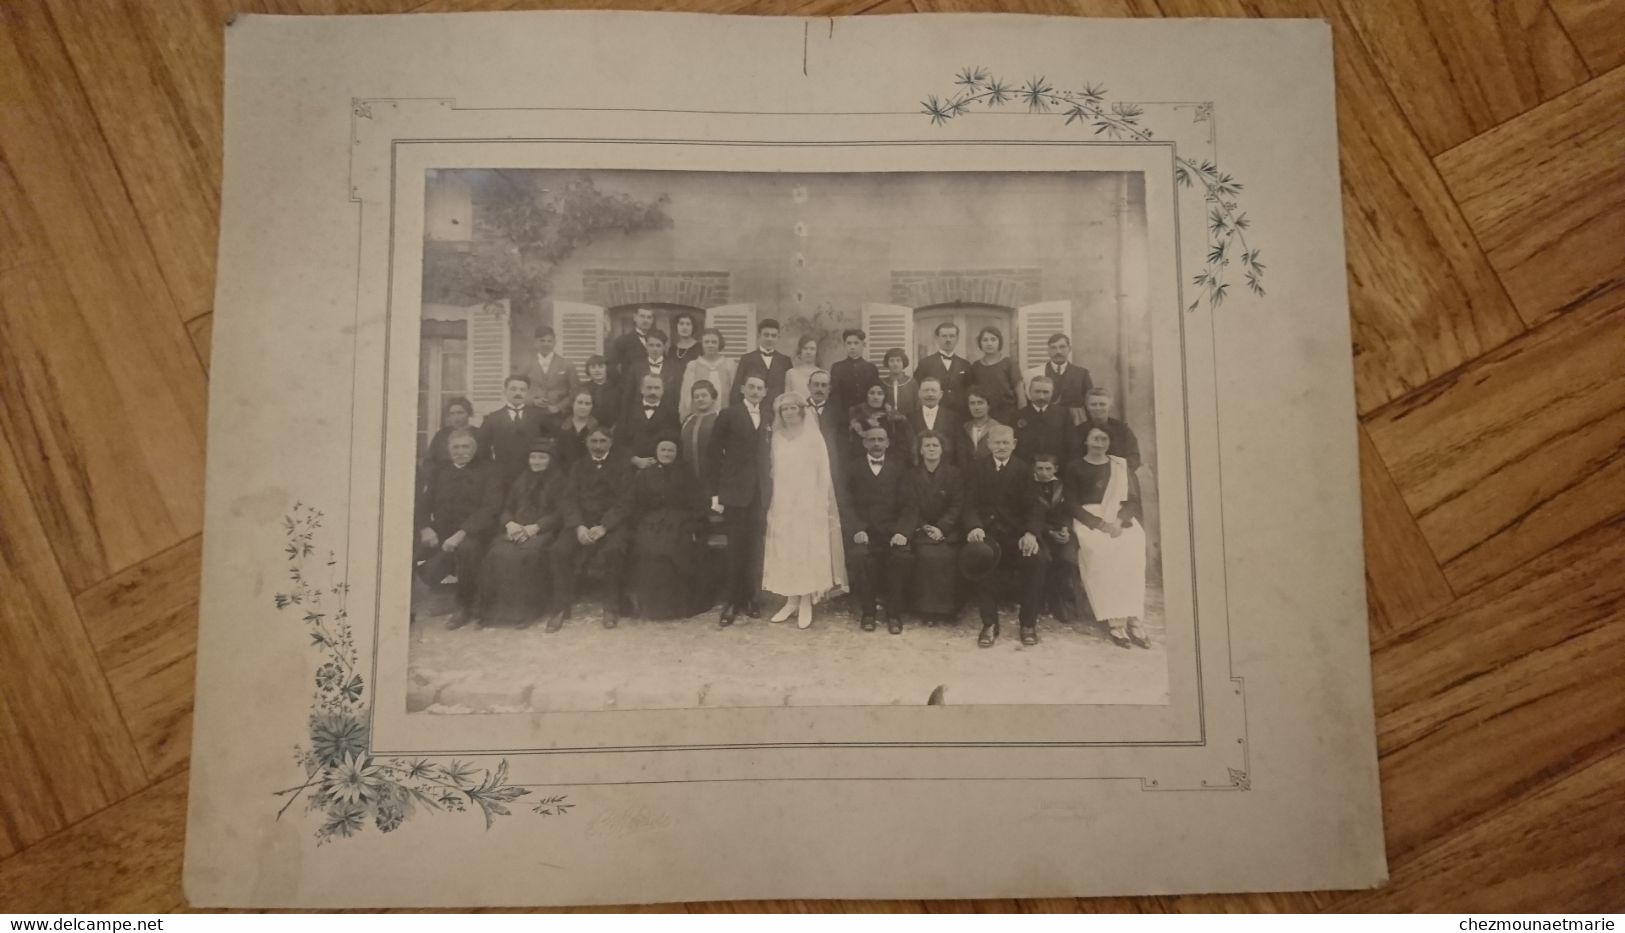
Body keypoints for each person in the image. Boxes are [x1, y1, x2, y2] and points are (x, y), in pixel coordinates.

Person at [762, 392, 847, 630]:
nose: (788, 413)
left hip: (809, 501)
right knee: (787, 548)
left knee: (806, 548)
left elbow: (824, 471)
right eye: (784, 410)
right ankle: (791, 600)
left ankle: (807, 600)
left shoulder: (813, 437)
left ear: (801, 410)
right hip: (784, 501)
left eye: (792, 408)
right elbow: (774, 471)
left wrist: (820, 501)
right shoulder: (777, 437)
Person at [960, 425, 1046, 647]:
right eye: (996, 442)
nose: (1001, 447)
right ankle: (989, 623)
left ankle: (1028, 623)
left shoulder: (1025, 470)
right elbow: (968, 503)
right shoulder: (976, 468)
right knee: (981, 558)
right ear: (988, 444)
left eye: (1005, 443)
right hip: (988, 534)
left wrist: (1030, 533)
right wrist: (974, 526)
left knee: (1036, 561)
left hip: (1017, 535)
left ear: (1014, 444)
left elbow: (1035, 507)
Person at [1066, 423, 1149, 649]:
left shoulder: (1120, 466)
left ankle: (1135, 618)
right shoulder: (1075, 467)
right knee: (1102, 551)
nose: (1099, 443)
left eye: (1104, 439)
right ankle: (1115, 620)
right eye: (1095, 439)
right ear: (1086, 441)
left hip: (1118, 517)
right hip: (1089, 518)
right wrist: (1098, 523)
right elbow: (1071, 504)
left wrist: (1119, 520)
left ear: (1109, 443)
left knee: (1132, 546)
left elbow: (1132, 501)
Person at [414, 428, 502, 630]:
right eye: (456, 447)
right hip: (443, 528)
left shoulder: (489, 471)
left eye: (466, 446)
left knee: (467, 550)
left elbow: (490, 508)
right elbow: (423, 504)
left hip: (475, 531)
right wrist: (425, 528)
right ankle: (434, 593)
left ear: (475, 448)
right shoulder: (440, 472)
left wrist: (460, 534)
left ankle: (464, 605)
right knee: (411, 547)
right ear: (448, 449)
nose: (461, 451)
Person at [547, 426, 631, 631]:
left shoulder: (622, 466)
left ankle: (611, 607)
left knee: (612, 551)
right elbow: (569, 499)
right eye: (594, 441)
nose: (598, 446)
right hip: (582, 524)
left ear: (610, 443)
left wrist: (604, 526)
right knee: (560, 550)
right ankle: (560, 607)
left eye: (603, 441)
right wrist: (578, 526)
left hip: (610, 525)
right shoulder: (578, 467)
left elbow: (626, 502)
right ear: (586, 443)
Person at [476, 437, 564, 629]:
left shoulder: (559, 480)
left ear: (550, 460)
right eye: (533, 457)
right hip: (516, 529)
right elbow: (507, 507)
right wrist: (509, 523)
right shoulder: (521, 479)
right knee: (496, 554)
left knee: (527, 556)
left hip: (543, 531)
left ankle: (525, 612)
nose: (536, 461)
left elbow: (559, 513)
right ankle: (492, 613)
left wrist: (536, 528)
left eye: (542, 457)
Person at [839, 425, 917, 633]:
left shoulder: (899, 467)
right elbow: (845, 503)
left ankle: (894, 614)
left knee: (902, 557)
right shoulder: (853, 468)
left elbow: (910, 504)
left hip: (892, 533)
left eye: (880, 439)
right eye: (871, 439)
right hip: (865, 533)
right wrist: (856, 529)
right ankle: (868, 612)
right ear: (864, 443)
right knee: (860, 557)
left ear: (887, 443)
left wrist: (902, 532)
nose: (876, 444)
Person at [708, 373, 771, 626]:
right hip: (734, 492)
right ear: (743, 388)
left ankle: (751, 598)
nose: (755, 392)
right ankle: (732, 601)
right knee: (735, 547)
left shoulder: (769, 417)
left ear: (765, 393)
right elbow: (713, 453)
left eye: (760, 388)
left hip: (760, 493)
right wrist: (715, 493)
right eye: (751, 387)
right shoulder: (729, 414)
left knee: (755, 547)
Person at [628, 438, 705, 620]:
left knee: (672, 549)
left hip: (680, 520)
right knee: (647, 549)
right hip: (652, 520)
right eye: (663, 450)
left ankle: (674, 607)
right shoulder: (646, 474)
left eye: (671, 450)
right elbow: (637, 502)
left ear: (676, 453)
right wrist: (640, 521)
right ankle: (651, 606)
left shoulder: (685, 473)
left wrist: (694, 522)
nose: (666, 454)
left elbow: (697, 501)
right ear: (656, 452)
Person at [905, 431, 965, 625]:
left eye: (935, 446)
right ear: (920, 450)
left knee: (947, 556)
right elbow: (910, 505)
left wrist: (942, 527)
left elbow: (957, 504)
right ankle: (927, 610)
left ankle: (948, 610)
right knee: (926, 556)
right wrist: (925, 526)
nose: (931, 449)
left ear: (942, 449)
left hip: (947, 529)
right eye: (927, 446)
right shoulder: (911, 475)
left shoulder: (954, 473)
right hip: (921, 528)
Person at [1030, 452, 1082, 626]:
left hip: (1062, 530)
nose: (1044, 473)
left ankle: (1060, 601)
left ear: (1056, 469)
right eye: (1040, 468)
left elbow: (1069, 510)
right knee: (1042, 559)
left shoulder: (1062, 486)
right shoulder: (1028, 486)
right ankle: (1041, 598)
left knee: (1067, 558)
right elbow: (1028, 517)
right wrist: (1048, 532)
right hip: (1040, 532)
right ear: (1034, 468)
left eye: (1048, 469)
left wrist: (1065, 530)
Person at [478, 374, 553, 488]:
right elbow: (482, 450)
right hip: (503, 478)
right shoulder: (492, 419)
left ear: (527, 392)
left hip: (532, 477)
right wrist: (494, 470)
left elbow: (548, 445)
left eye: (522, 390)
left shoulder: (539, 417)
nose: (518, 393)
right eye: (513, 389)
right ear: (505, 391)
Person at [618, 328, 683, 425]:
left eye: (658, 345)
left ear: (664, 347)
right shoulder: (635, 367)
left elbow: (677, 396)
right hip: (640, 419)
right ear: (646, 346)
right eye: (651, 345)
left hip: (667, 418)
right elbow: (628, 396)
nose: (655, 349)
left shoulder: (675, 368)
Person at [618, 373, 682, 470]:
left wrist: (659, 460)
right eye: (649, 388)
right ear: (641, 390)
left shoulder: (672, 413)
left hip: (661, 468)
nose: (653, 392)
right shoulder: (628, 411)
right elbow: (619, 440)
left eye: (657, 388)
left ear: (663, 390)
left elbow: (675, 442)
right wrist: (634, 460)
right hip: (632, 467)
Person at [913, 322, 973, 415]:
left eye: (951, 336)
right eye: (944, 336)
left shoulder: (965, 364)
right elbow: (917, 389)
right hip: (934, 414)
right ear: (937, 338)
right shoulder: (925, 363)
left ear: (957, 339)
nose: (948, 339)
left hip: (960, 414)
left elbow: (969, 391)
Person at [1078, 386, 1143, 473]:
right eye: (1093, 404)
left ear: (1110, 406)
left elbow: (1133, 457)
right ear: (1087, 407)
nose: (1098, 408)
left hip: (1118, 476)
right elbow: (1074, 459)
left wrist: (1117, 474)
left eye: (1102, 404)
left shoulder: (1122, 429)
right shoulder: (1079, 431)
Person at [731, 318, 792, 409]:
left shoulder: (785, 361)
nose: (770, 339)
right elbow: (737, 389)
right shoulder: (747, 359)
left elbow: (789, 390)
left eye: (773, 336)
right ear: (759, 335)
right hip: (752, 410)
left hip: (777, 411)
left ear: (778, 337)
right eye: (766, 335)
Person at [969, 325, 1024, 424]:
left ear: (999, 342)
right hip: (984, 417)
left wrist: (1022, 416)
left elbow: (1020, 393)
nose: (989, 343)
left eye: (993, 339)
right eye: (985, 340)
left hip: (1008, 415)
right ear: (980, 343)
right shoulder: (976, 366)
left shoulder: (1009, 364)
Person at [848, 381, 913, 465]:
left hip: (891, 463)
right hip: (863, 464)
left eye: (880, 394)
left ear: (885, 396)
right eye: (872, 393)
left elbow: (902, 446)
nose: (876, 397)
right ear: (866, 395)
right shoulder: (857, 417)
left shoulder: (894, 417)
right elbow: (854, 447)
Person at [1012, 375, 1073, 463]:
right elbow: (1014, 446)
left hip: (1056, 467)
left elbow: (1071, 443)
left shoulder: (1063, 414)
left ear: (1052, 393)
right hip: (1026, 466)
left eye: (1046, 392)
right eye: (1037, 392)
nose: (1041, 397)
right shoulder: (1017, 415)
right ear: (1029, 392)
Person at [1027, 333, 1093, 413]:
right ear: (1048, 350)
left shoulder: (1082, 374)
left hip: (1074, 421)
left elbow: (1090, 402)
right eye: (1053, 347)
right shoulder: (1035, 373)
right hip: (1046, 420)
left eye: (1062, 347)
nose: (1058, 351)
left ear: (1069, 349)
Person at [679, 327, 736, 420]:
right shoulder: (693, 366)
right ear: (702, 344)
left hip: (725, 414)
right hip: (699, 415)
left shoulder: (729, 364)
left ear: (719, 344)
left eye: (714, 342)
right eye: (706, 342)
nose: (710, 345)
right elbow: (686, 395)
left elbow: (734, 393)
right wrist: (686, 416)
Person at [905, 376, 962, 466]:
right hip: (917, 471)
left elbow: (958, 448)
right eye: (926, 390)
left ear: (941, 394)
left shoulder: (953, 417)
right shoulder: (909, 418)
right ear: (919, 394)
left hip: (946, 471)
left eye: (934, 390)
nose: (930, 394)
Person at [520, 327, 577, 416]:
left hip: (559, 416)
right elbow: (518, 389)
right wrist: (533, 401)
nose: (546, 344)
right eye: (542, 341)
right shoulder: (526, 364)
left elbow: (575, 391)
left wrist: (559, 406)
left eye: (549, 341)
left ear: (555, 342)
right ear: (535, 342)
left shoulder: (567, 364)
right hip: (532, 414)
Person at [423, 396, 485, 475]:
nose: (456, 417)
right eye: (452, 413)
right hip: (445, 479)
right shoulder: (441, 434)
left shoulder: (479, 434)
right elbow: (429, 460)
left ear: (468, 413)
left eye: (460, 413)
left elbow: (484, 461)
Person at [805, 368, 845, 485]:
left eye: (824, 385)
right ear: (809, 387)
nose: (819, 389)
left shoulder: (838, 411)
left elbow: (841, 444)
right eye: (816, 385)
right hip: (805, 464)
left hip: (830, 463)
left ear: (829, 389)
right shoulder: (800, 409)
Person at [829, 328, 879, 417]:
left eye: (856, 343)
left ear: (863, 344)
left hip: (866, 416)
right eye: (849, 343)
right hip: (843, 417)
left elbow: (875, 394)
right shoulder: (837, 368)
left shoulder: (871, 368)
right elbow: (834, 396)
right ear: (844, 345)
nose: (852, 347)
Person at [680, 380, 721, 487]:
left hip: (714, 478)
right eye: (696, 396)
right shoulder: (688, 420)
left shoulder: (721, 418)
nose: (700, 399)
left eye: (704, 395)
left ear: (713, 397)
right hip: (688, 479)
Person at [607, 305, 657, 387]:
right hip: (630, 389)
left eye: (649, 317)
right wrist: (623, 384)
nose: (645, 320)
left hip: (652, 388)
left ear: (652, 320)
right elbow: (611, 367)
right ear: (635, 317)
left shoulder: (657, 341)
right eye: (642, 316)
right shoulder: (623, 341)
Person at [959, 387, 1006, 468]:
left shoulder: (998, 428)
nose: (976, 407)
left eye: (980, 403)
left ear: (988, 406)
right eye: (972, 403)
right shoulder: (964, 428)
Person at [554, 389, 599, 466]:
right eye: (579, 402)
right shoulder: (560, 427)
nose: (583, 407)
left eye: (587, 404)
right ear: (572, 404)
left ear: (592, 406)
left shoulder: (597, 430)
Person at [581, 355, 618, 430]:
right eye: (593, 367)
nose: (597, 370)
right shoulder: (583, 388)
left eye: (601, 367)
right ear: (588, 370)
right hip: (589, 429)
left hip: (613, 429)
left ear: (607, 369)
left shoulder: (617, 388)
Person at [880, 347, 918, 417]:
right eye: (892, 361)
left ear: (903, 362)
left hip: (908, 422)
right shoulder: (882, 383)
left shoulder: (912, 382)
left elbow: (917, 406)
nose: (895, 364)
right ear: (887, 363)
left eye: (898, 360)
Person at [785, 335, 821, 400]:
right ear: (800, 351)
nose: (808, 352)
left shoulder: (822, 373)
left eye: (812, 349)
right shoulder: (791, 373)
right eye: (805, 348)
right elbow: (787, 398)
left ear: (816, 352)